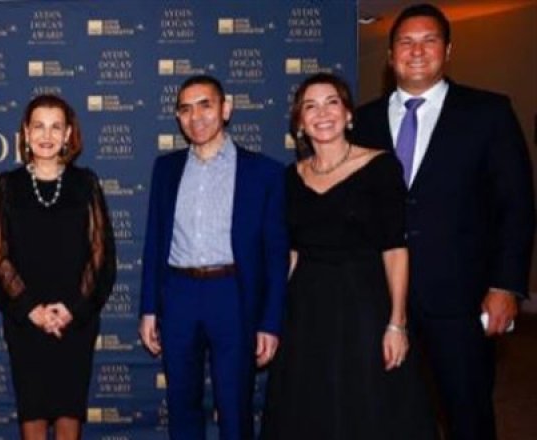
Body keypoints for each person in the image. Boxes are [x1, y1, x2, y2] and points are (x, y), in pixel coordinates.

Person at [351, 4, 535, 439]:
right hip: (380, 299)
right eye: (406, 42)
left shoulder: (488, 113)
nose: (417, 51)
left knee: (467, 413)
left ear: (448, 50)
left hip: (461, 300)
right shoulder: (363, 122)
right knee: (393, 415)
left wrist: (505, 286)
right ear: (390, 55)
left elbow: (516, 205)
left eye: (429, 40)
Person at [260, 73, 437, 439]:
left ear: (349, 114)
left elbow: (395, 248)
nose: (322, 113)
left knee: (367, 405)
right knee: (307, 406)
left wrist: (397, 323)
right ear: (299, 123)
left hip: (364, 306)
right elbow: (290, 254)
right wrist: (271, 317)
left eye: (332, 103)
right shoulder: (290, 177)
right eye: (310, 106)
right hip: (306, 311)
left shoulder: (381, 167)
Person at [138, 75, 288, 440]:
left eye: (205, 105)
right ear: (178, 117)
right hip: (179, 294)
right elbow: (155, 241)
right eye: (185, 109)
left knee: (235, 405)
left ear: (226, 109)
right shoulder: (166, 169)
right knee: (181, 404)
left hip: (233, 293)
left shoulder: (264, 172)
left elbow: (276, 255)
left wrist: (270, 323)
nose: (196, 117)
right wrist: (149, 308)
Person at [0, 94, 116, 440]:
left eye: (56, 127)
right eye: (39, 126)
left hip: (75, 320)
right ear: (26, 133)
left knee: (69, 413)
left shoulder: (85, 183)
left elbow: (101, 254)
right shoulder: (7, 186)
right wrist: (32, 310)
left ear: (68, 133)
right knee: (32, 413)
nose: (47, 135)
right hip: (26, 320)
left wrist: (71, 308)